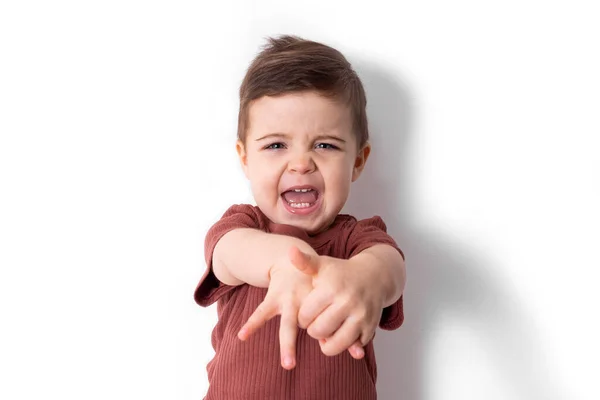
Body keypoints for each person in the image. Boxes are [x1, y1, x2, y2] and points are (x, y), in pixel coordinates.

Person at [194, 34, 407, 400]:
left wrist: (366, 277)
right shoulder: (243, 227)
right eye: (276, 145)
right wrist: (282, 264)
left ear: (357, 160)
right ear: (245, 158)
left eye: (325, 145)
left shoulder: (357, 241)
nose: (301, 163)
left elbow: (390, 269)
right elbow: (229, 253)